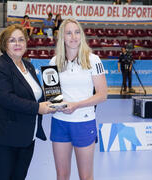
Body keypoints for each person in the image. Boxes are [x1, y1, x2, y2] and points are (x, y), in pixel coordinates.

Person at [0, 24, 55, 180]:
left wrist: (54, 101)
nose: (18, 44)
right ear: (4, 44)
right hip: (3, 137)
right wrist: (37, 108)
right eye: (12, 40)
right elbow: (6, 99)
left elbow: (34, 94)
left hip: (26, 136)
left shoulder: (27, 65)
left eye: (21, 39)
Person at [49, 18, 108, 180]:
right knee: (61, 175)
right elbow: (53, 97)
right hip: (59, 122)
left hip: (84, 121)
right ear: (62, 37)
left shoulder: (93, 60)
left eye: (76, 32)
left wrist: (76, 105)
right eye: (68, 33)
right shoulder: (54, 61)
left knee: (86, 176)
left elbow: (102, 95)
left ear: (81, 35)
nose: (73, 37)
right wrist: (56, 105)